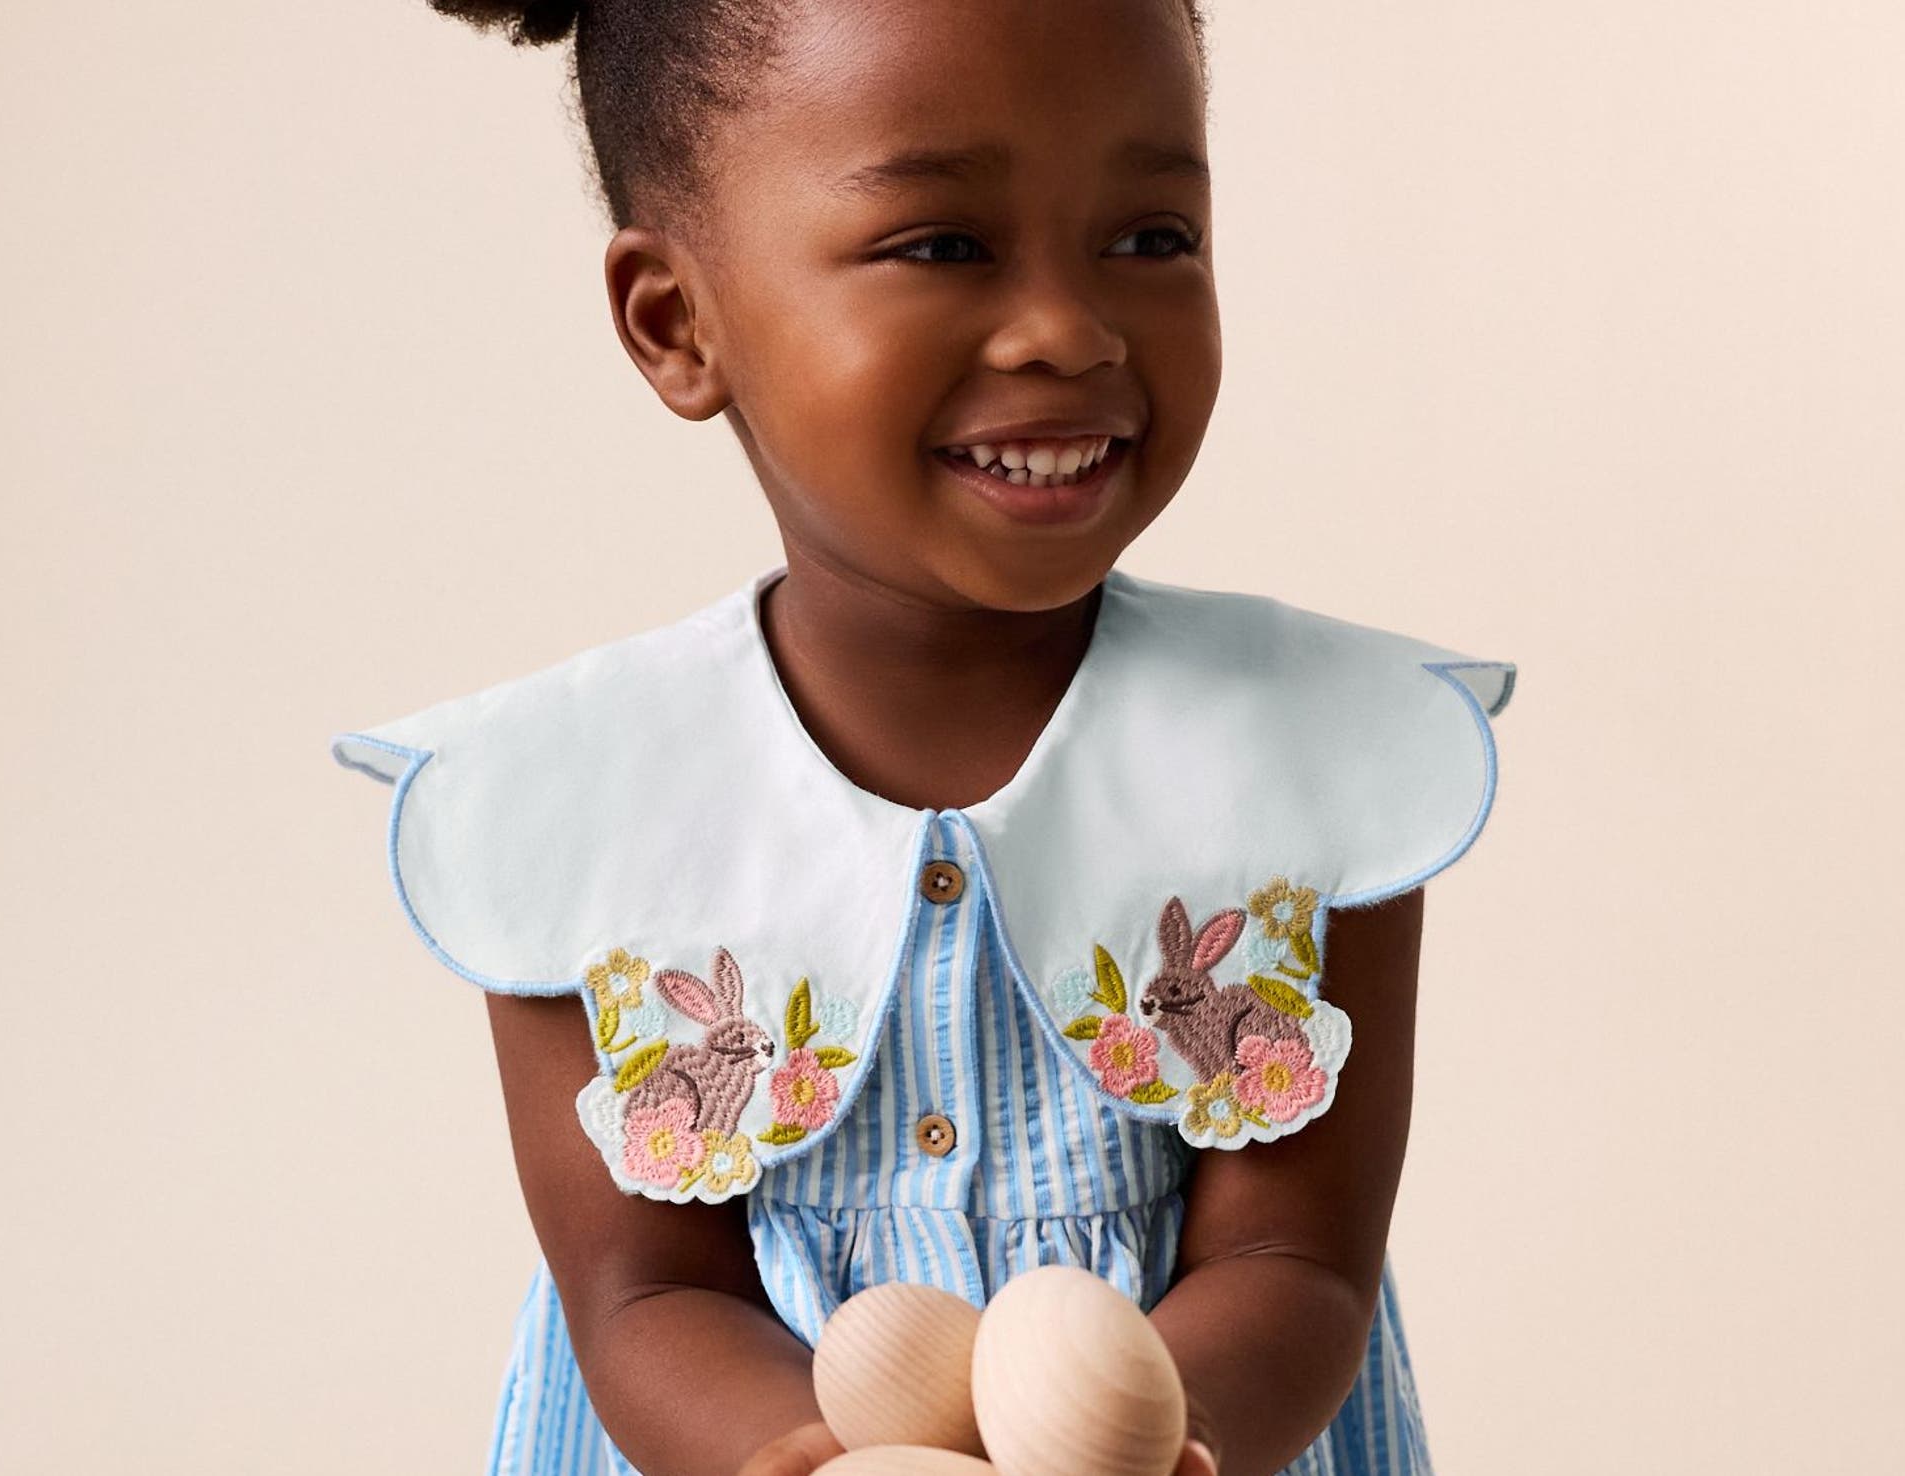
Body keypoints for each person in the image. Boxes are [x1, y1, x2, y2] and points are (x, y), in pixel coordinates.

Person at [329, 2, 1517, 1472]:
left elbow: (1299, 1261)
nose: (1069, 330)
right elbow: (643, 1292)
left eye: (1150, 237)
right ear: (676, 322)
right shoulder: (592, 810)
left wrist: (1155, 1438)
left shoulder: (1311, 765)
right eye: (946, 244)